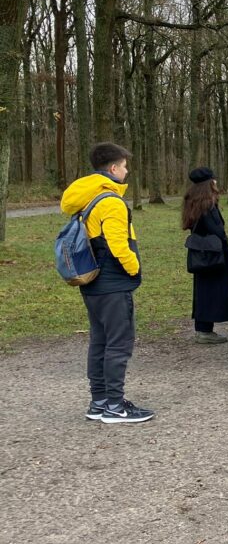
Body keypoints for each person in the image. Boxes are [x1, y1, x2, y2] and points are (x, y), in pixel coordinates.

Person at [61, 142, 153, 423]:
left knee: (100, 342)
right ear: (113, 168)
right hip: (113, 284)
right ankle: (115, 406)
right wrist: (135, 269)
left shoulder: (88, 200)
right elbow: (118, 245)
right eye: (125, 166)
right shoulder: (111, 201)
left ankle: (99, 401)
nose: (127, 171)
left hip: (93, 283)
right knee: (119, 343)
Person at [182, 167, 228, 344]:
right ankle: (205, 330)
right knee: (211, 290)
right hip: (212, 253)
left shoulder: (193, 200)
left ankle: (203, 328)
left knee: (203, 289)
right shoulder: (207, 204)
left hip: (201, 252)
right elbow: (218, 230)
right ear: (209, 183)